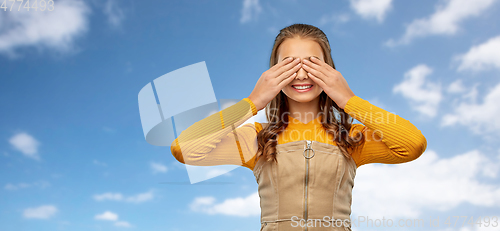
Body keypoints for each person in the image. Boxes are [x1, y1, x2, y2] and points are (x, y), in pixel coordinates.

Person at [170, 23, 427, 231]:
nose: (302, 75)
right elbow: (184, 149)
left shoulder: (350, 138)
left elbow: (412, 144)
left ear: (330, 72)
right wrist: (252, 102)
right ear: (273, 73)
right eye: (289, 65)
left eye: (312, 64)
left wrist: (349, 100)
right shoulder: (259, 138)